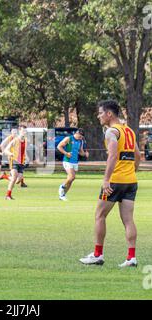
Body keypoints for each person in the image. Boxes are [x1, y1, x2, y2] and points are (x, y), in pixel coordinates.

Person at [80, 100, 141, 267]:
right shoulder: (129, 131)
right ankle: (131, 258)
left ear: (109, 114)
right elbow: (138, 156)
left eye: (100, 113)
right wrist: (132, 171)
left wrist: (106, 179)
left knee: (99, 215)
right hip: (130, 182)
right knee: (128, 220)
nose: (99, 116)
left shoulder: (111, 132)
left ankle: (98, 255)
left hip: (115, 181)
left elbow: (112, 156)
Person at [57, 128, 89, 201]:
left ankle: (62, 195)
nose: (81, 138)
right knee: (71, 177)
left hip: (75, 162)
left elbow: (81, 152)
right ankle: (61, 187)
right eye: (80, 136)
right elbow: (59, 146)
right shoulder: (68, 139)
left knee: (72, 179)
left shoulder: (80, 141)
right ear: (77, 133)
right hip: (67, 161)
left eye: (82, 137)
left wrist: (85, 154)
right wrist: (66, 153)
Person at [4, 126, 28, 200]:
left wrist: (27, 157)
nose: (24, 132)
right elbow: (6, 150)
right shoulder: (15, 140)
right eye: (23, 131)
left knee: (18, 180)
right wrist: (10, 154)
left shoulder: (25, 140)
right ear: (19, 131)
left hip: (21, 162)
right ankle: (8, 195)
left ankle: (4, 176)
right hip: (14, 160)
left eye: (25, 131)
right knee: (14, 177)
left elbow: (24, 151)